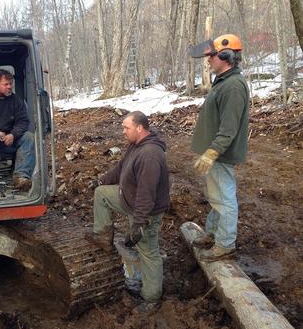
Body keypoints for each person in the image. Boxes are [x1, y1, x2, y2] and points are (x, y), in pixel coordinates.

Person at [84, 111, 170, 312]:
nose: (123, 132)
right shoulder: (136, 146)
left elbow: (146, 193)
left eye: (126, 128)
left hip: (145, 210)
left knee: (148, 252)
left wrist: (139, 224)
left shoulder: (149, 155)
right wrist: (101, 181)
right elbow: (121, 168)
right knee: (102, 193)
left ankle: (151, 298)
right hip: (128, 198)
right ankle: (103, 236)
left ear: (139, 128)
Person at [187, 34, 249, 262]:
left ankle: (225, 244)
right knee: (216, 196)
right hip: (215, 152)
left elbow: (229, 128)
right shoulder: (224, 81)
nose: (208, 60)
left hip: (221, 154)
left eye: (211, 56)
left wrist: (213, 152)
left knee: (224, 198)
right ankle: (213, 233)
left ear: (225, 56)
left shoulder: (233, 86)